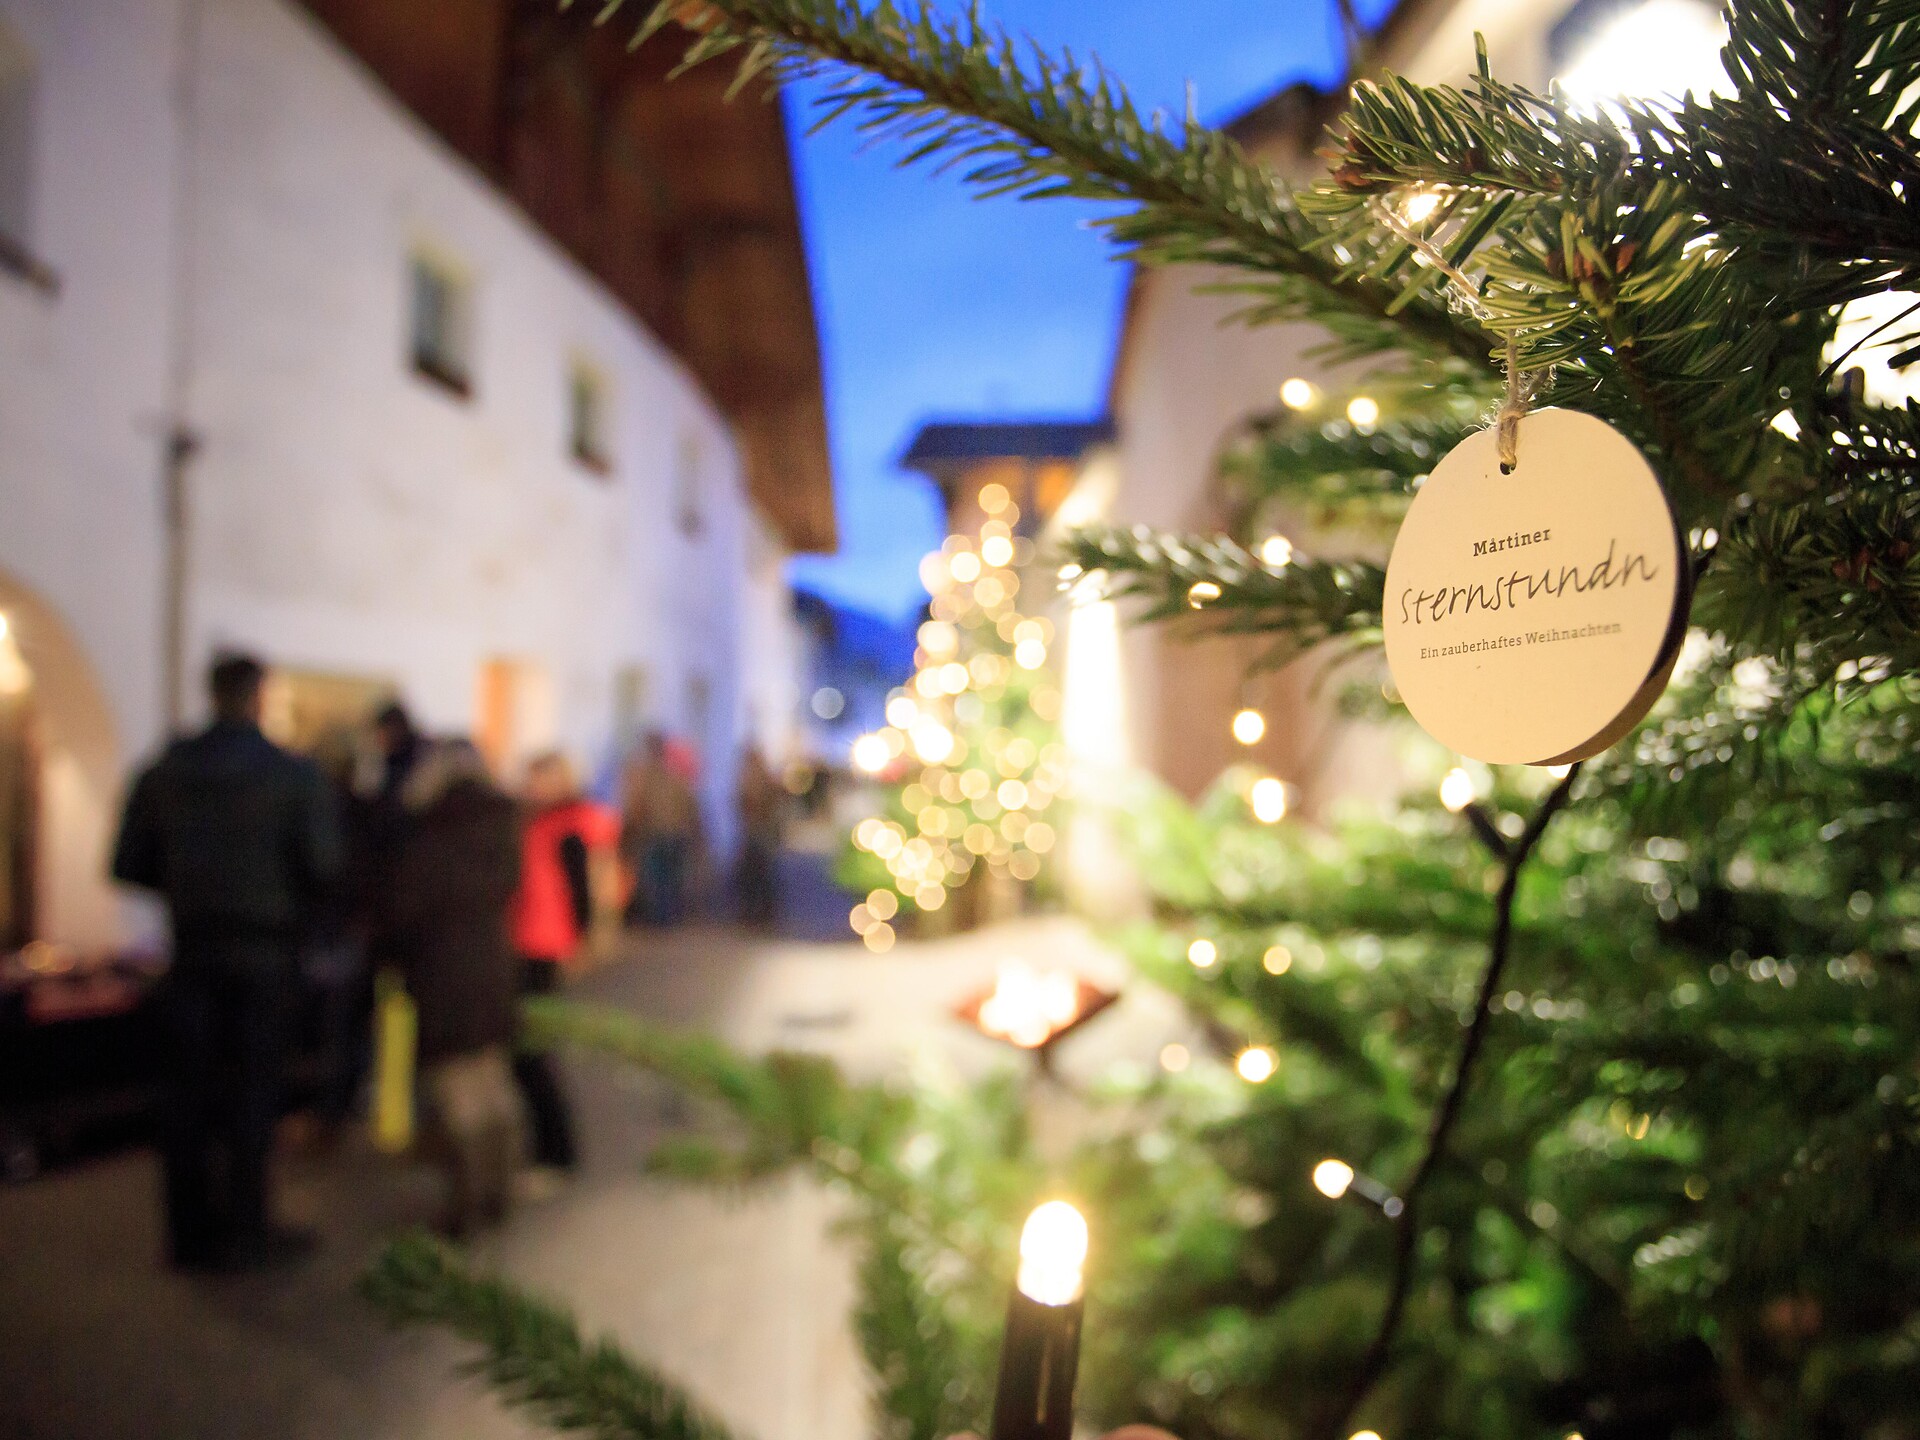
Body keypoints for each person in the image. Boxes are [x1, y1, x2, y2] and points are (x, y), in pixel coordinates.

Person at [111, 653, 342, 1271]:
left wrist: (193, 886)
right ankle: (247, 1226)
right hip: (265, 955)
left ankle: (189, 1233)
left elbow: (128, 862)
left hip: (193, 950)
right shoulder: (292, 776)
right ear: (260, 697)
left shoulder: (166, 771)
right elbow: (324, 866)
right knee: (253, 1090)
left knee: (186, 1093)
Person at [388, 740, 523, 1238]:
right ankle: (500, 1190)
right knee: (493, 1079)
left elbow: (404, 909)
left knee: (457, 1090)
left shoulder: (428, 834)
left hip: (442, 972)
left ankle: (466, 1202)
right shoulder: (500, 825)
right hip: (492, 967)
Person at [509, 751, 618, 1173]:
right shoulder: (541, 819)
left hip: (545, 942)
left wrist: (586, 940)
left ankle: (556, 1151)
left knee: (535, 1045)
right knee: (532, 1043)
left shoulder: (570, 822)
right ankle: (547, 1148)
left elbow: (584, 890)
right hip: (530, 939)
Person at [620, 731, 700, 926]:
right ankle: (666, 916)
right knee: (666, 878)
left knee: (659, 877)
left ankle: (662, 917)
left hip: (658, 835)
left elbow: (636, 806)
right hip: (668, 834)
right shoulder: (673, 776)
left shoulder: (646, 777)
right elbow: (689, 805)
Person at [734, 745, 784, 928]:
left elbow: (755, 803)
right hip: (756, 832)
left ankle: (760, 910)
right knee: (754, 874)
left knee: (759, 874)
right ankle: (756, 910)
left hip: (760, 833)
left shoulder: (759, 778)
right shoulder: (752, 777)